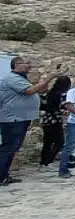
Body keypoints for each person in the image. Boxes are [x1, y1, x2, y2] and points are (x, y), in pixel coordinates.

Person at [0, 57, 57, 185]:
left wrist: (45, 81)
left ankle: (4, 175)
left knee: (12, 148)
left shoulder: (21, 79)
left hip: (20, 118)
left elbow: (39, 90)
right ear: (17, 64)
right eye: (27, 63)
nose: (30, 66)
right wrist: (50, 77)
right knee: (8, 148)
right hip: (12, 119)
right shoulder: (13, 78)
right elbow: (30, 91)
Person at [39, 75, 71, 167]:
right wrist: (66, 112)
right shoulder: (61, 95)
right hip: (55, 120)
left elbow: (43, 106)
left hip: (46, 120)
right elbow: (61, 108)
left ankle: (43, 161)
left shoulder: (48, 94)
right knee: (59, 142)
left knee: (47, 142)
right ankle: (48, 161)